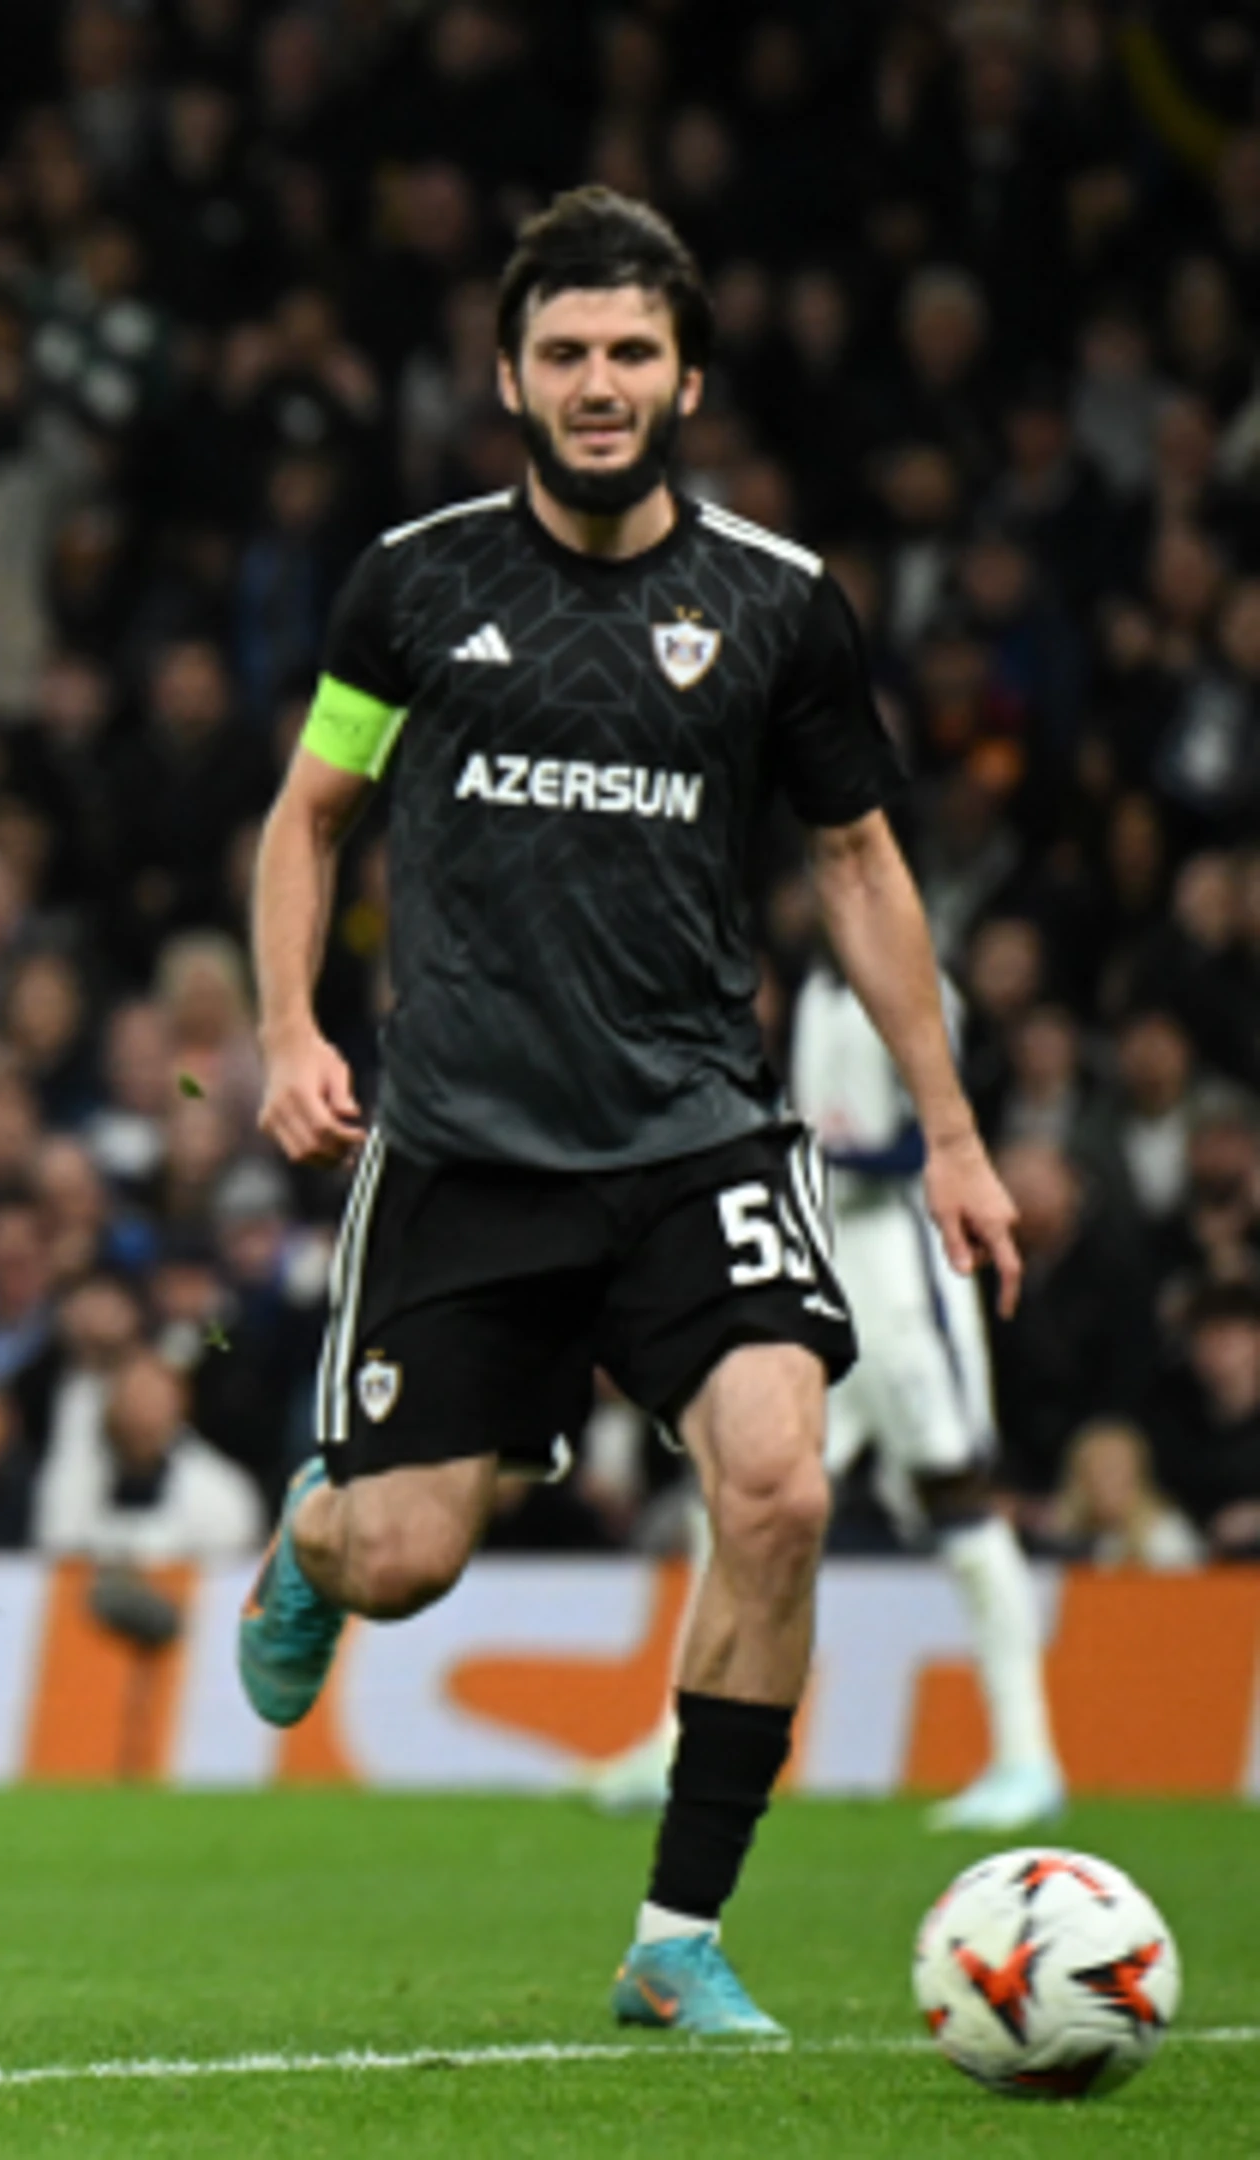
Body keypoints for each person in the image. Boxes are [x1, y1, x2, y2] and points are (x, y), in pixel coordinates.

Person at [239, 190, 1017, 2039]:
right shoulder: (416, 585)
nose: (601, 384)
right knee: (405, 1559)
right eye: (568, 353)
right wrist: (283, 1031)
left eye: (634, 353)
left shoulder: (775, 603)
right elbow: (310, 817)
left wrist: (953, 1131)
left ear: (689, 381)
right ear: (511, 379)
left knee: (781, 1485)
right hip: (467, 1149)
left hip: (693, 1134)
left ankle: (678, 1938)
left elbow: (860, 864)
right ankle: (312, 1540)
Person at [584, 961, 1066, 1830]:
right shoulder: (816, 990)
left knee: (954, 1490)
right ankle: (678, 1739)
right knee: (741, 1488)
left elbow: (930, 1142)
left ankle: (1027, 1755)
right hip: (823, 1254)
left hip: (906, 1264)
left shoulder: (921, 986)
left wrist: (802, 1147)